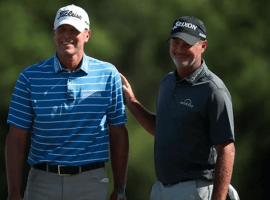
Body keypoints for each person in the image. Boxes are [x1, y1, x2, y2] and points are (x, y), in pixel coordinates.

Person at [6, 4, 128, 200]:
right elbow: (16, 137)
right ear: (54, 34)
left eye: (74, 30)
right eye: (62, 30)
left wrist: (120, 188)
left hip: (91, 181)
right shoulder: (30, 77)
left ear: (87, 35)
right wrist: (13, 192)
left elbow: (118, 133)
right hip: (41, 182)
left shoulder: (108, 74)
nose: (66, 36)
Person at [121, 16, 239, 200]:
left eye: (187, 44)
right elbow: (159, 128)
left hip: (196, 190)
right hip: (161, 189)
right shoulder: (167, 82)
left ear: (203, 46)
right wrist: (132, 102)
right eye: (175, 43)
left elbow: (226, 149)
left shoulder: (213, 90)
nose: (179, 50)